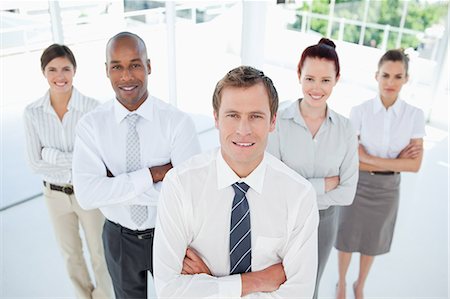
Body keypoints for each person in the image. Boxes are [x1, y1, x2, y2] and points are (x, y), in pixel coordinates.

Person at [153, 66, 319, 298]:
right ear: (216, 118)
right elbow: (169, 291)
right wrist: (256, 281)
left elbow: (298, 294)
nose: (243, 130)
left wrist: (211, 284)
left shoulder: (299, 195)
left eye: (255, 116)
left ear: (272, 121)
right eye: (233, 115)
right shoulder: (180, 185)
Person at [72, 32, 201, 299]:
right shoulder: (91, 127)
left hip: (170, 235)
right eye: (116, 66)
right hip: (118, 239)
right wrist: (155, 174)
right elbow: (86, 196)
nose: (126, 76)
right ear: (106, 70)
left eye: (135, 64)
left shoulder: (178, 123)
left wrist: (114, 185)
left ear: (149, 66)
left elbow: (188, 195)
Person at [266, 38, 359, 299]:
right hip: (282, 219)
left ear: (336, 79)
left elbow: (347, 193)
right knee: (275, 285)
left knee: (310, 288)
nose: (316, 88)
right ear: (298, 75)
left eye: (325, 80)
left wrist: (299, 185)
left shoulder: (345, 129)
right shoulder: (278, 121)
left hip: (324, 222)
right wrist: (324, 184)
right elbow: (273, 183)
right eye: (310, 79)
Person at [334, 49, 425, 299]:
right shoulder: (360, 111)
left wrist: (368, 158)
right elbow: (349, 163)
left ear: (406, 79)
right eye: (386, 75)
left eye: (398, 76)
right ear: (376, 76)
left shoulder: (414, 116)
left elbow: (414, 165)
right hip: (358, 185)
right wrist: (396, 162)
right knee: (347, 237)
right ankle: (341, 282)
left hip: (387, 190)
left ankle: (359, 285)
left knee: (373, 241)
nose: (391, 82)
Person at [23, 44, 112, 298]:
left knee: (99, 253)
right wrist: (76, 160)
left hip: (88, 193)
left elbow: (99, 161)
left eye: (65, 69)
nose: (59, 76)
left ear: (75, 71)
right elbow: (33, 163)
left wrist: (50, 154)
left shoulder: (93, 108)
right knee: (71, 255)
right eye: (52, 69)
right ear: (44, 72)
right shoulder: (32, 113)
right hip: (54, 197)